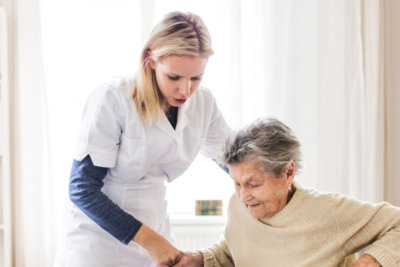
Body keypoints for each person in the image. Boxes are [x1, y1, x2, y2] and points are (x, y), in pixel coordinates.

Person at [54, 11, 231, 267]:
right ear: (150, 59)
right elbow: (82, 189)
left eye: (196, 77)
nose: (186, 89)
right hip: (96, 241)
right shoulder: (113, 98)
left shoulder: (203, 102)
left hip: (155, 226)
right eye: (174, 77)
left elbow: (233, 158)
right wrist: (151, 241)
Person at [174, 118, 400, 267]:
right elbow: (234, 251)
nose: (243, 196)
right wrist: (199, 259)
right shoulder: (238, 205)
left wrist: (373, 260)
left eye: (253, 185)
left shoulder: (328, 212)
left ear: (288, 173)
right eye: (237, 183)